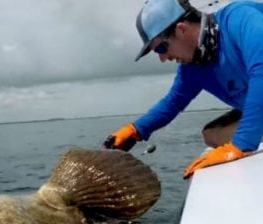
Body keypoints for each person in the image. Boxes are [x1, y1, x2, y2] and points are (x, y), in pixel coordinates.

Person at [103, 0, 263, 178]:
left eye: (161, 48)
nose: (163, 58)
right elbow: (172, 102)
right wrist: (135, 130)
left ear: (181, 29)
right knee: (213, 135)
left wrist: (241, 145)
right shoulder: (192, 68)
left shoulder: (241, 19)